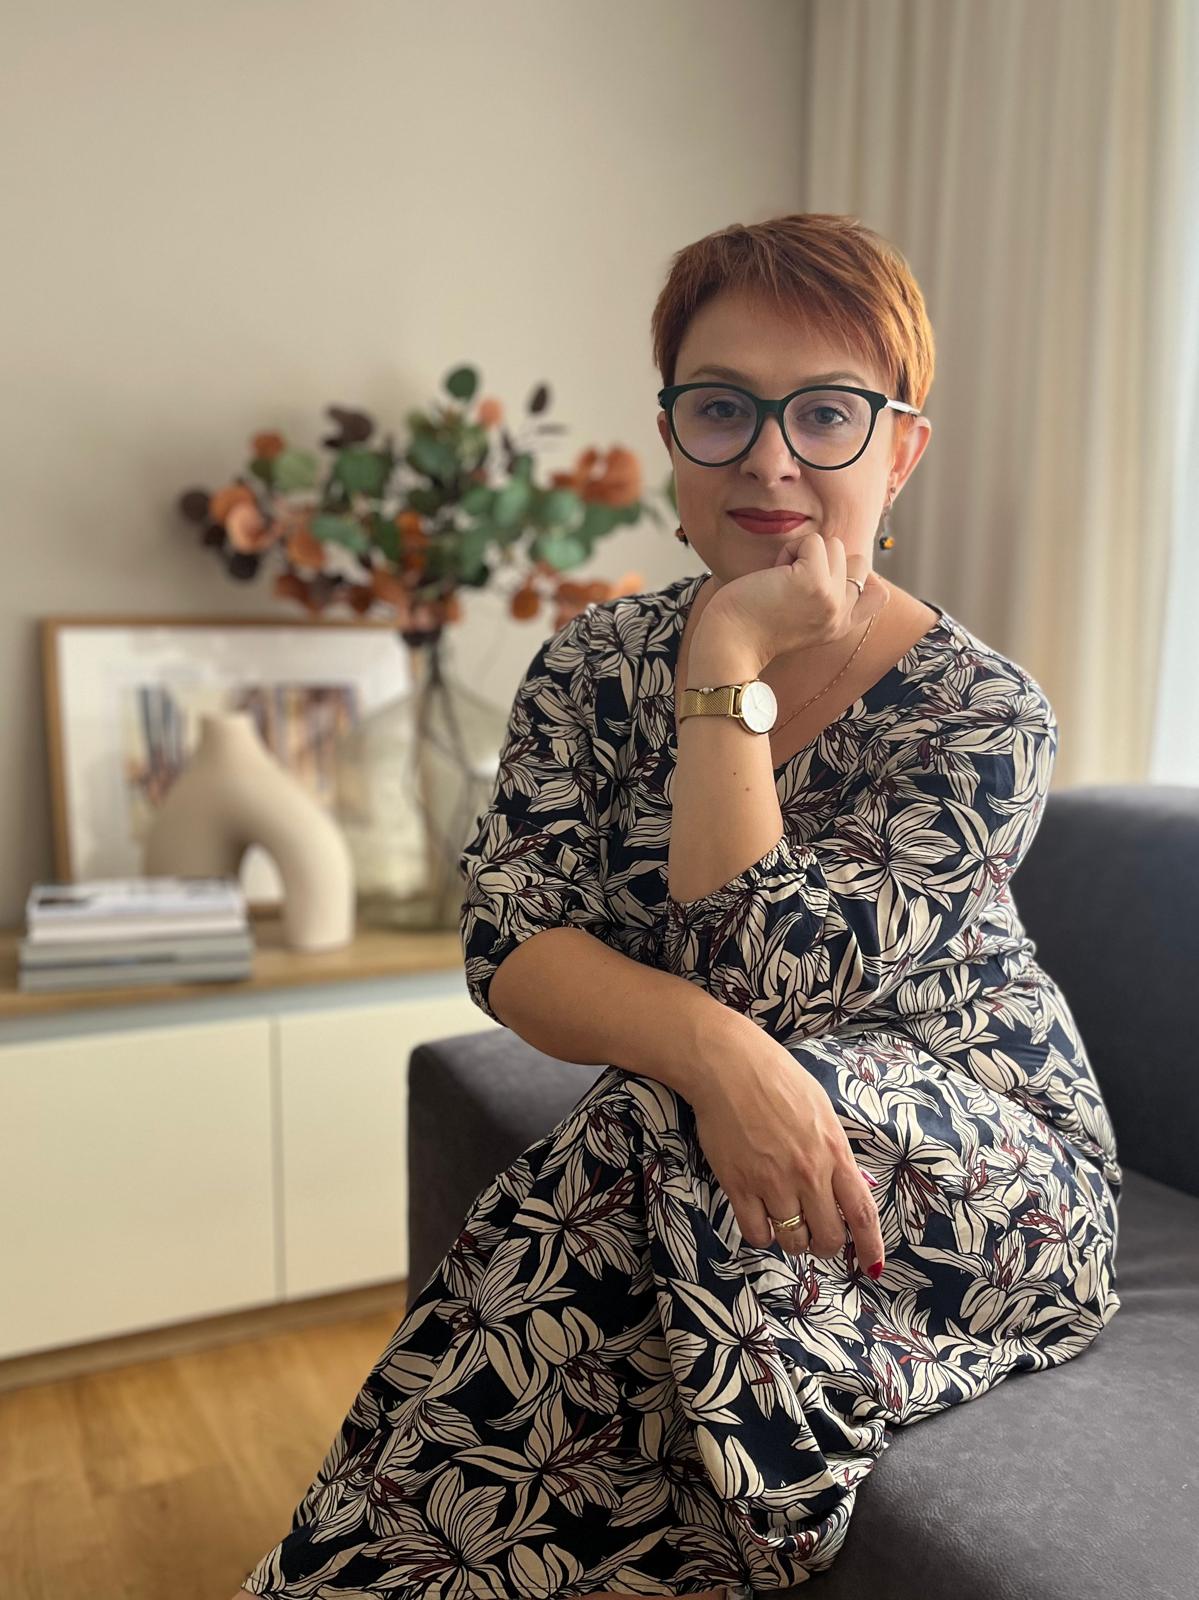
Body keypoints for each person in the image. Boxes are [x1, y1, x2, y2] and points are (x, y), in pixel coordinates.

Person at [235, 213, 1121, 1600]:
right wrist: (716, 1057)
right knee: (666, 1134)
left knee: (652, 1127)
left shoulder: (984, 712)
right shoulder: (590, 666)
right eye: (722, 409)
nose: (770, 457)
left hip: (984, 1167)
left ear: (900, 453)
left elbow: (768, 979)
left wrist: (724, 668)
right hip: (731, 1132)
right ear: (670, 439)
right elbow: (511, 943)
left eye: (826, 413)